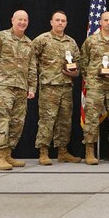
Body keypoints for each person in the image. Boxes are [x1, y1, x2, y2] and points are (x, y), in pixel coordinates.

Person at [0, 10, 37, 170]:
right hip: (3, 86)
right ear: (12, 20)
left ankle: (8, 154)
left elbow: (32, 68)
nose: (22, 22)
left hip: (21, 87)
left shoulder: (29, 43)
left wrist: (32, 87)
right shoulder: (0, 37)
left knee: (17, 122)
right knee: (2, 119)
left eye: (25, 20)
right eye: (19, 19)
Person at [32, 11, 81, 165]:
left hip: (66, 87)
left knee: (65, 121)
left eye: (63, 21)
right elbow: (31, 61)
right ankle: (43, 152)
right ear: (51, 22)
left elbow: (78, 64)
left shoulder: (71, 42)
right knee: (47, 120)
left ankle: (63, 152)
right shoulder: (42, 39)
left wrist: (74, 72)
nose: (60, 23)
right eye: (57, 20)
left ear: (66, 23)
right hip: (49, 87)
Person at [80, 11, 109, 165]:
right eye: (106, 20)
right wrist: (91, 77)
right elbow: (83, 62)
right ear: (100, 22)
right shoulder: (90, 41)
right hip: (95, 87)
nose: (108, 23)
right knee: (91, 119)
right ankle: (89, 152)